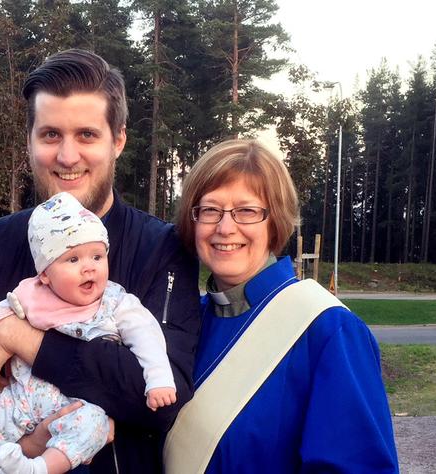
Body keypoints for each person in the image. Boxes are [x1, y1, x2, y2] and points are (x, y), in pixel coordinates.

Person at [0, 49, 201, 473]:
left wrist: (23, 338)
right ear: (29, 140)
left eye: (86, 134)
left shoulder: (162, 249)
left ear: (118, 140)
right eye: (50, 135)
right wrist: (22, 451)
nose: (67, 156)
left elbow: (162, 399)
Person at [166, 139, 398, 473]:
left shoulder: (329, 331)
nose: (225, 227)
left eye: (246, 210)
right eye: (210, 209)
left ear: (274, 221)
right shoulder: (186, 320)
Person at [0, 192, 177, 474]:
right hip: (20, 396)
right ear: (45, 274)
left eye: (98, 256)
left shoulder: (115, 301)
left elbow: (146, 335)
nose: (89, 267)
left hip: (77, 404)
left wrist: (158, 380)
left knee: (95, 426)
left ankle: (39, 469)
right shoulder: (32, 294)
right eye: (72, 260)